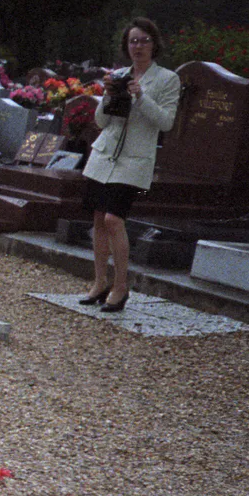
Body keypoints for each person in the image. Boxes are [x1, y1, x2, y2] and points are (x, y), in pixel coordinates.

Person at [78, 17, 181, 312]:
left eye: (144, 40)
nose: (138, 46)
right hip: (104, 154)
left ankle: (121, 286)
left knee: (114, 219)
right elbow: (101, 121)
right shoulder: (119, 75)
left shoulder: (167, 79)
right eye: (133, 41)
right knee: (99, 218)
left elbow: (166, 122)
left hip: (134, 159)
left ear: (154, 44)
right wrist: (108, 96)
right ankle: (100, 281)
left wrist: (141, 96)